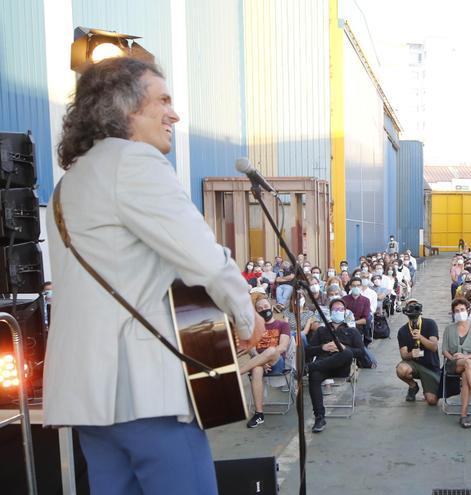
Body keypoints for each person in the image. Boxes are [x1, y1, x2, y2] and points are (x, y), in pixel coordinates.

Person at [44, 57, 264, 494]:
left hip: (91, 399)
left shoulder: (68, 185)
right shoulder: (134, 163)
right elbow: (204, 259)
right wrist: (246, 317)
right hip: (146, 390)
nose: (174, 114)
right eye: (162, 101)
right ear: (125, 110)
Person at [305, 298, 355, 433]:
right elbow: (308, 350)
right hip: (322, 367)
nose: (337, 312)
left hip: (341, 367)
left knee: (347, 353)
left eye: (340, 309)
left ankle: (310, 368)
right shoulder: (321, 330)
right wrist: (323, 347)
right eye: (335, 309)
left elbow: (361, 352)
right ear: (330, 312)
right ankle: (319, 417)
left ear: (345, 313)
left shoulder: (351, 331)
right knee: (314, 376)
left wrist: (343, 348)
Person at [241, 297, 291, 428]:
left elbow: (283, 347)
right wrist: (261, 361)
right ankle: (259, 414)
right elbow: (251, 349)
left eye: (265, 306)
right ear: (256, 311)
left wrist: (267, 356)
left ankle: (238, 372)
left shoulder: (282, 325)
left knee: (271, 350)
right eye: (260, 308)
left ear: (271, 306)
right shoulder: (254, 327)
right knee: (257, 369)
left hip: (277, 361)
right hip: (260, 363)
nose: (264, 309)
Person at [442, 299, 471, 428]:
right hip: (453, 363)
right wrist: (453, 358)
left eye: (462, 310)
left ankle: (463, 415)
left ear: (468, 311)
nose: (459, 313)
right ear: (453, 313)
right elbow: (444, 350)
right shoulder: (449, 329)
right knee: (466, 364)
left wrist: (465, 356)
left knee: (466, 373)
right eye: (456, 311)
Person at [395, 300, 441, 405]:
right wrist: (412, 354)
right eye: (410, 306)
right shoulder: (402, 331)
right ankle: (413, 386)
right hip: (414, 364)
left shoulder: (430, 323)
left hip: (430, 366)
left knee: (432, 401)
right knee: (401, 369)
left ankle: (428, 387)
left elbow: (434, 347)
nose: (413, 308)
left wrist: (420, 337)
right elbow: (403, 355)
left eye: (415, 306)